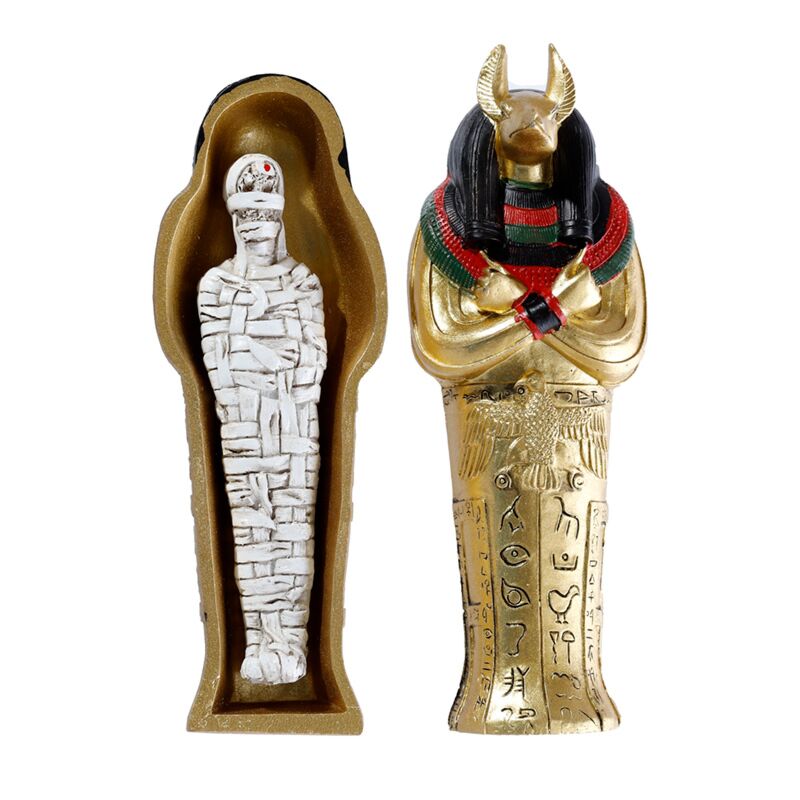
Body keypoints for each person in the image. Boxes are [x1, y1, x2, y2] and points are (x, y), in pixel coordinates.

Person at [409, 45, 646, 733]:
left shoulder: (607, 231)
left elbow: (623, 348)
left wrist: (520, 315)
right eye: (516, 123)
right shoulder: (446, 227)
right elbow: (439, 345)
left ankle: (576, 689)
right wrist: (552, 314)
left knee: (569, 550)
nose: (533, 131)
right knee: (499, 546)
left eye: (546, 123)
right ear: (487, 133)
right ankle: (496, 690)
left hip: (578, 416)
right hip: (486, 414)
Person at [198, 154, 327, 685]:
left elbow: (312, 362)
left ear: (280, 221)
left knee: (293, 530)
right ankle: (259, 641)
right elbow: (219, 365)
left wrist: (258, 351)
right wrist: (267, 355)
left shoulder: (303, 282)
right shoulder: (216, 286)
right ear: (235, 222)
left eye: (266, 218)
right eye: (247, 220)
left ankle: (290, 642)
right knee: (254, 528)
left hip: (294, 428)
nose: (257, 231)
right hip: (244, 428)